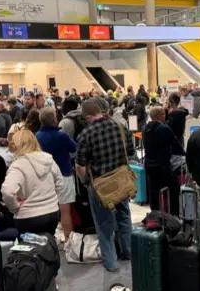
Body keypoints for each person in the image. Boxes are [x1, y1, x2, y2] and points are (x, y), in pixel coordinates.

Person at [75, 98, 133, 272]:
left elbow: (80, 166)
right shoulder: (121, 128)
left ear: (87, 116)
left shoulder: (86, 134)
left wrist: (87, 183)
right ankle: (128, 253)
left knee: (104, 224)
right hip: (122, 182)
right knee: (124, 218)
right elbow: (130, 152)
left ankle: (111, 262)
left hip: (100, 186)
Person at [2, 130, 64, 236]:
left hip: (28, 216)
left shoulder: (18, 165)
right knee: (48, 246)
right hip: (52, 212)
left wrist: (14, 206)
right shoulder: (48, 159)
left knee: (29, 250)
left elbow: (8, 192)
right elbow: (60, 184)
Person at [35, 107, 77, 238]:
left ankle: (49, 239)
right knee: (65, 211)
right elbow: (74, 147)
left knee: (47, 209)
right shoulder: (62, 136)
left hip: (45, 176)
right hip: (64, 174)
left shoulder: (37, 136)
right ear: (54, 119)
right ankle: (68, 240)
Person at [142, 106, 185, 213]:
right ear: (158, 116)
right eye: (163, 114)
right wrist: (184, 153)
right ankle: (174, 213)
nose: (165, 116)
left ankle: (155, 213)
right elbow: (176, 145)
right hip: (162, 166)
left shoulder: (144, 128)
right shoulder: (164, 129)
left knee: (154, 190)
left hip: (149, 164)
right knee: (174, 188)